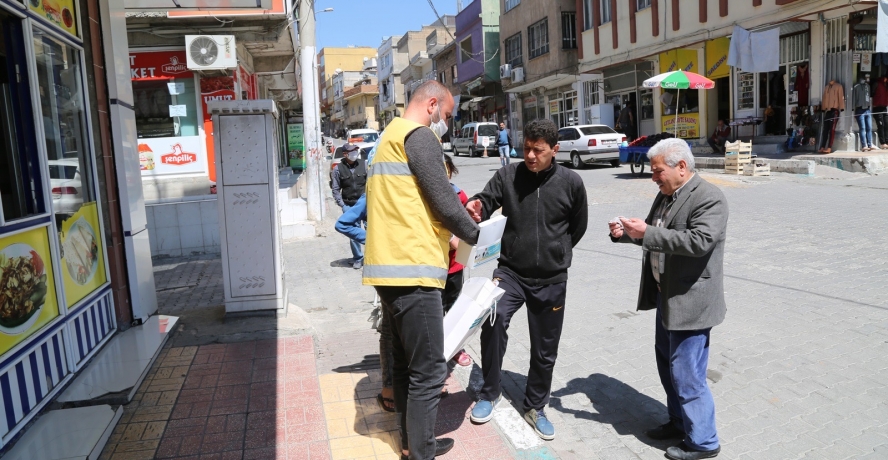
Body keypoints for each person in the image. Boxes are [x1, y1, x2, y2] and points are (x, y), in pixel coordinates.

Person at [363, 80, 480, 460]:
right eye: (446, 114)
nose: (445, 122)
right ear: (431, 104)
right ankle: (422, 454)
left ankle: (415, 444)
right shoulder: (420, 136)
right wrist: (476, 233)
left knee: (403, 363)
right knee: (429, 370)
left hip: (388, 268)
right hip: (413, 270)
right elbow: (444, 200)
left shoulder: (389, 136)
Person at [466, 119, 588, 441]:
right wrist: (477, 205)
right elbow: (486, 199)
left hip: (551, 279)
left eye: (539, 150)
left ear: (555, 150)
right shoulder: (508, 175)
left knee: (545, 349)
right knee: (493, 321)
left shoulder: (571, 182)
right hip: (510, 272)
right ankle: (490, 392)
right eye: (527, 149)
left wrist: (557, 252)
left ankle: (535, 406)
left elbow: (578, 226)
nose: (531, 156)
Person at [609, 138, 727, 460]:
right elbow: (657, 239)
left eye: (657, 170)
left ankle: (703, 441)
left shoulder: (709, 197)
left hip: (692, 301)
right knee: (667, 365)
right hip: (667, 297)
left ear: (681, 167)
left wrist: (645, 232)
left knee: (687, 373)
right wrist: (628, 234)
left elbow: (699, 241)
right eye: (653, 171)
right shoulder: (665, 197)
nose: (653, 177)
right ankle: (679, 422)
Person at [442, 154, 472, 367]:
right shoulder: (421, 196)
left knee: (454, 307)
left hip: (454, 266)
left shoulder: (460, 195)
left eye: (447, 169)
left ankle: (455, 348)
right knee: (434, 311)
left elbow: (468, 225)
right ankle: (437, 350)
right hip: (431, 266)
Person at [332, 143, 367, 269]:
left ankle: (372, 255)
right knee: (353, 233)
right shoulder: (338, 169)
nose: (354, 154)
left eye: (355, 151)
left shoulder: (364, 164)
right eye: (351, 151)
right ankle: (358, 258)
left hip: (365, 204)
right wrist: (342, 205)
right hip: (350, 205)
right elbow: (335, 189)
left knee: (371, 229)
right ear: (345, 154)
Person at [853, 74, 876, 151]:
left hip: (867, 109)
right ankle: (864, 145)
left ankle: (870, 144)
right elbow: (853, 98)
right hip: (859, 109)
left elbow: (868, 96)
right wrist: (853, 109)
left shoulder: (868, 86)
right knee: (862, 128)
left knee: (869, 127)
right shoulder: (856, 87)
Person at [872, 75, 888, 149]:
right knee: (881, 125)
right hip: (877, 107)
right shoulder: (877, 84)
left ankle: (887, 141)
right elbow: (872, 93)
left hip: (884, 107)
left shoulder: (886, 85)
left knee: (886, 124)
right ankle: (882, 142)